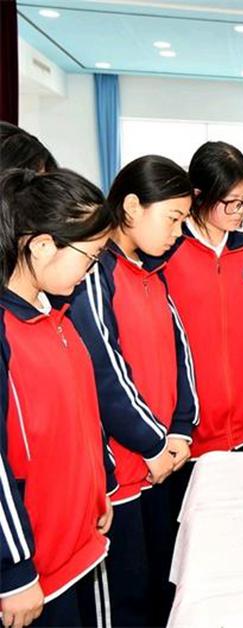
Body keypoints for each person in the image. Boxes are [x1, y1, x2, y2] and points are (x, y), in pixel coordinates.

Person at [68, 155, 198, 627]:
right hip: (124, 470)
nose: (178, 233)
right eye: (173, 219)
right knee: (126, 602)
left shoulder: (150, 271)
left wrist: (180, 429)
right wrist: (153, 442)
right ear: (130, 207)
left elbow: (180, 351)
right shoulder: (95, 271)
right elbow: (105, 371)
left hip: (161, 459)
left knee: (162, 585)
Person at [0, 169, 116, 628]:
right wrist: (13, 570)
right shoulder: (6, 333)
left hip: (79, 544)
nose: (93, 271)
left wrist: (101, 487)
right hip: (34, 571)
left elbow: (85, 417)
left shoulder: (58, 319)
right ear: (43, 245)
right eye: (90, 257)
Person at [162, 142, 243, 458]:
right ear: (199, 195)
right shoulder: (168, 249)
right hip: (191, 432)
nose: (241, 211)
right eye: (232, 202)